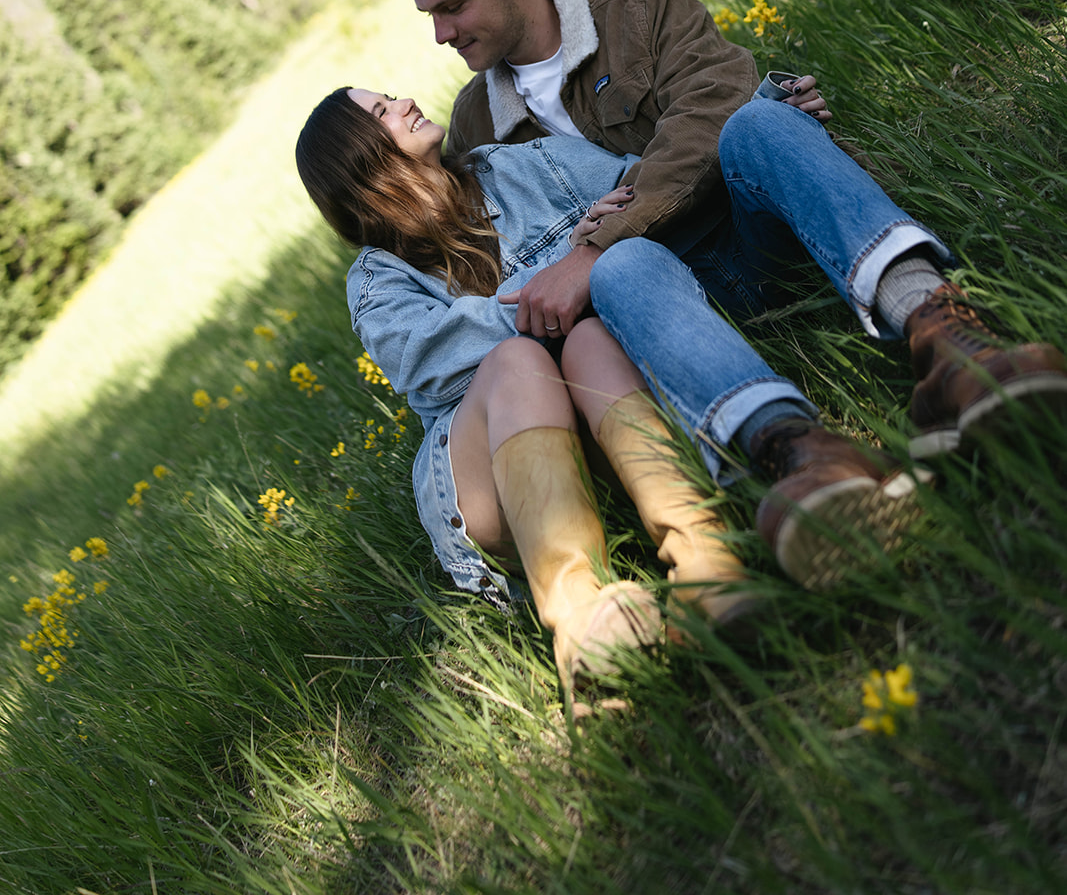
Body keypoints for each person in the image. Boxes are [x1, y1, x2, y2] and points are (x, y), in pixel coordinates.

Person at [295, 86, 933, 694]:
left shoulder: (518, 166)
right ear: (363, 163)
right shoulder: (379, 282)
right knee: (519, 359)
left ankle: (707, 566)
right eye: (383, 110)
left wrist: (761, 121)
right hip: (496, 478)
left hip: (601, 421)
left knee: (592, 338)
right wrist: (569, 267)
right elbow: (439, 364)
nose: (404, 100)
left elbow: (641, 188)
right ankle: (579, 617)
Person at [397, 0, 1067, 461]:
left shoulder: (639, 8)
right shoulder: (475, 127)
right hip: (658, 313)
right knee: (628, 262)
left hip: (760, 237)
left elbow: (710, 111)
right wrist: (600, 257)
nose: (439, 34)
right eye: (429, 16)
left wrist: (591, 245)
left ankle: (947, 340)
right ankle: (796, 455)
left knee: (755, 124)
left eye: (451, 7)